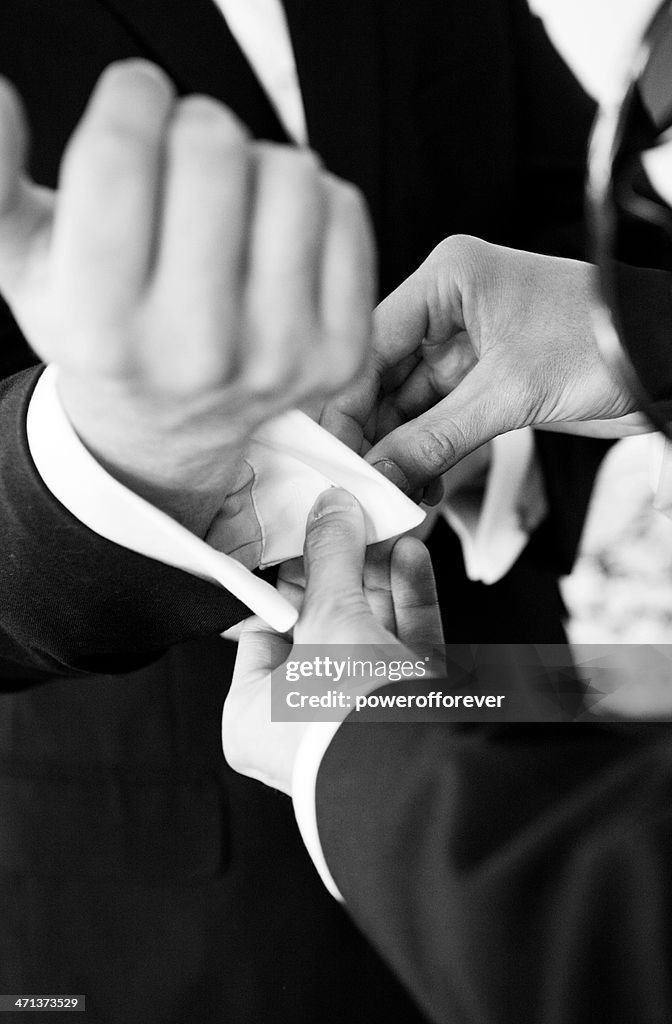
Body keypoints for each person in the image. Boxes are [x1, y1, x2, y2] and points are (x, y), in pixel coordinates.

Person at [0, 2, 608, 1021]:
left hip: (535, 800)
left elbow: (577, 202)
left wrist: (496, 445)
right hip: (168, 889)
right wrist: (123, 455)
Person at [223, 75, 672, 1024]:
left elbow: (623, 951)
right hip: (183, 904)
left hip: (498, 788)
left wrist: (345, 740)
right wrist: (662, 331)